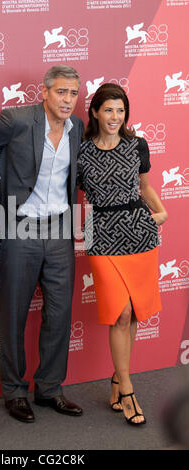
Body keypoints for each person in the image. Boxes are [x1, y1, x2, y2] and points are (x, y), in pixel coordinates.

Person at [0, 65, 84, 422]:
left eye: (73, 93)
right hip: (19, 225)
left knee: (59, 313)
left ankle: (50, 389)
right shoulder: (17, 120)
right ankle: (14, 391)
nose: (68, 100)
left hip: (59, 228)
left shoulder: (77, 129)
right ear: (44, 92)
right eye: (61, 92)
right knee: (13, 311)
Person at [77, 83, 168, 426]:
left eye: (120, 110)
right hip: (102, 234)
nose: (115, 117)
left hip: (139, 232)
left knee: (134, 314)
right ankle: (127, 387)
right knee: (121, 311)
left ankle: (117, 379)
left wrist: (161, 212)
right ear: (96, 113)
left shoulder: (137, 145)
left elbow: (145, 187)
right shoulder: (81, 151)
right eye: (108, 110)